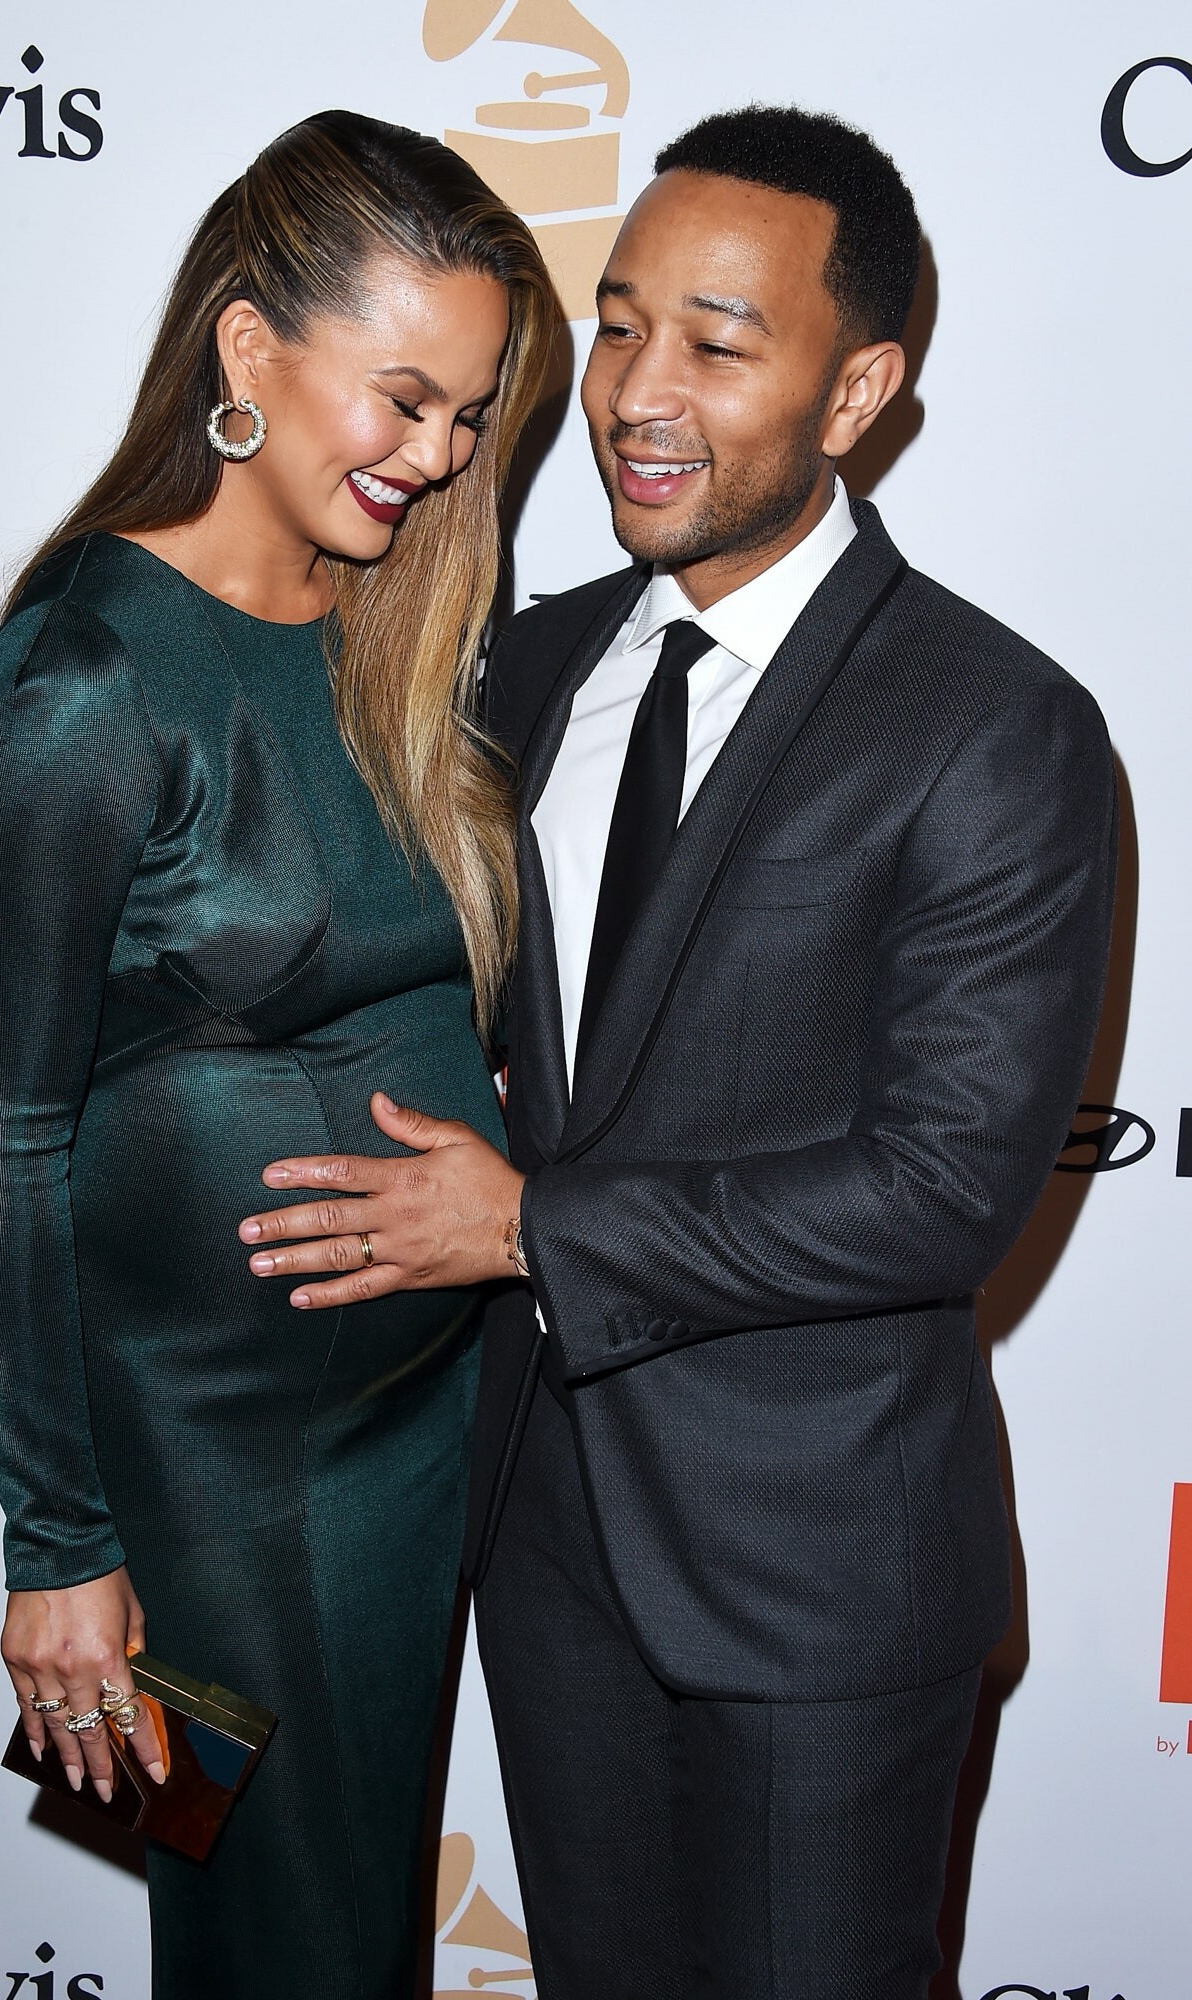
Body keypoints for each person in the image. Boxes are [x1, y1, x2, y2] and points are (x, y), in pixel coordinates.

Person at [236, 107, 1117, 1997]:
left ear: (857, 387)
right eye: (619, 325)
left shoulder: (996, 727)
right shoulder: (518, 661)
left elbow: (942, 1189)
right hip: (536, 1544)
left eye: (717, 345)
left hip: (820, 1579)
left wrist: (525, 1230)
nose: (637, 391)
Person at [0, 108, 553, 1999]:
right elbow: (11, 1131)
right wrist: (56, 1551)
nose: (440, 456)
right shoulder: (89, 675)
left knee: (349, 1926)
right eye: (403, 398)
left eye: (466, 415)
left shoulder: (391, 618)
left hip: (420, 1428)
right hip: (205, 1467)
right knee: (268, 1942)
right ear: (244, 353)